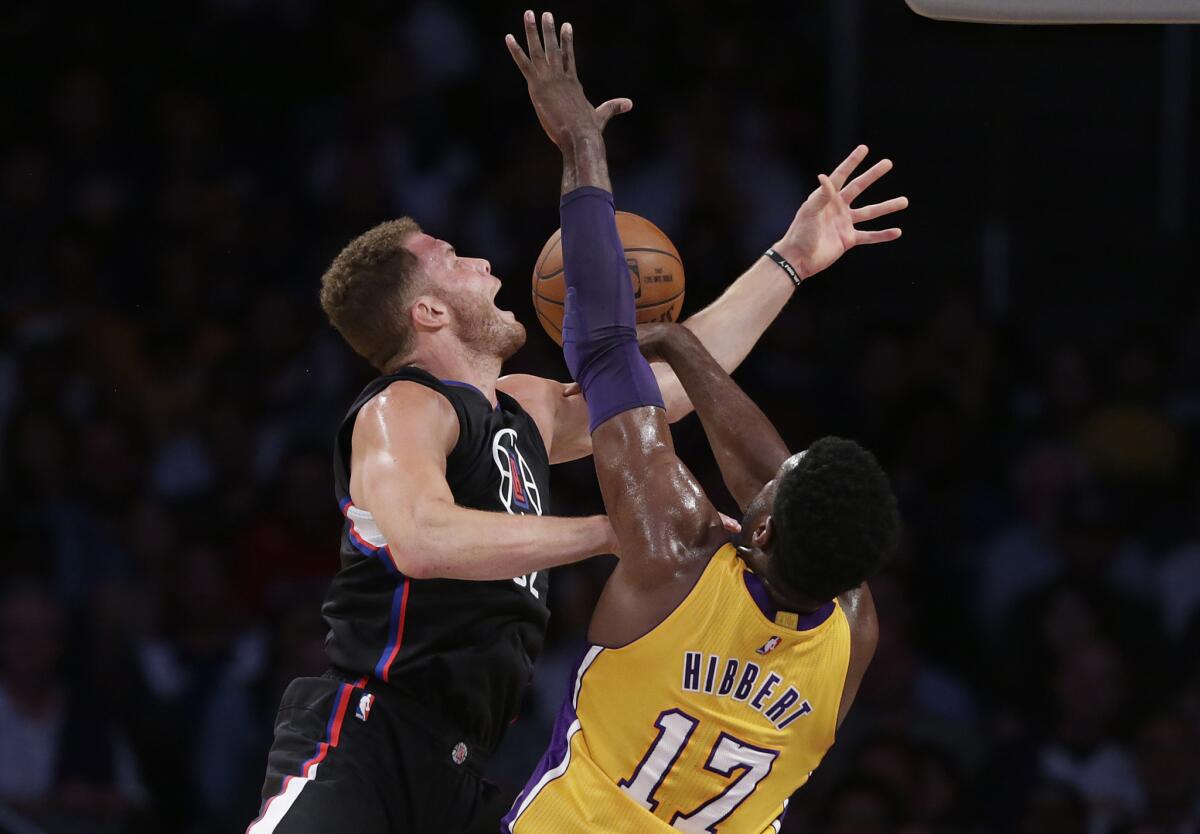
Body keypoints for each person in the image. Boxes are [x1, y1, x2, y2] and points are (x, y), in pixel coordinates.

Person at [247, 9, 907, 833]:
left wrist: (791, 262)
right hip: (370, 737)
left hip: (467, 762)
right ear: (425, 312)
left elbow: (656, 382)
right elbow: (419, 537)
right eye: (455, 259)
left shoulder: (521, 409)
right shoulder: (401, 408)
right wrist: (606, 532)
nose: (484, 262)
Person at [502, 13, 900, 832]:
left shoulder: (672, 552)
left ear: (758, 533)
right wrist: (704, 330)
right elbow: (774, 490)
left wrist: (581, 144)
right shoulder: (854, 631)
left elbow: (603, 345)